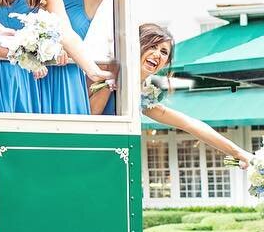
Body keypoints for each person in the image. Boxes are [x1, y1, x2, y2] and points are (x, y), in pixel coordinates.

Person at [94, 23, 253, 164]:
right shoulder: (104, 69)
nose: (157, 55)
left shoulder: (146, 95)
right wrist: (110, 82)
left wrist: (239, 153)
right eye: (152, 46)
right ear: (136, 46)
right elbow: (91, 115)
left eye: (164, 52)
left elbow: (189, 124)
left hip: (112, 159)